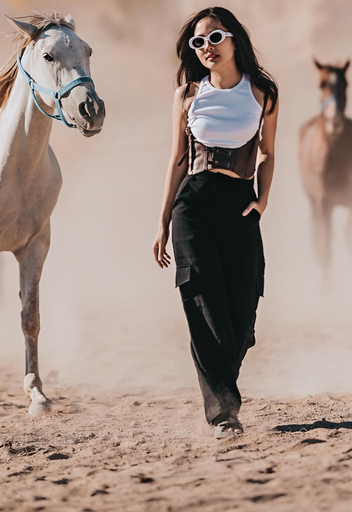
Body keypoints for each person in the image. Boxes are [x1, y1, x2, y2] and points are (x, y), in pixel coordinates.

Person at [152, 6, 279, 439]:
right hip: (194, 205)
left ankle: (228, 369)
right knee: (202, 300)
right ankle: (223, 412)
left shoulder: (263, 92)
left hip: (241, 203)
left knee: (243, 308)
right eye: (198, 42)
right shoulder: (187, 95)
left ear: (234, 38)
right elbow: (176, 160)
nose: (207, 47)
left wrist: (262, 200)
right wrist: (162, 221)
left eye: (215, 37)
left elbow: (267, 151)